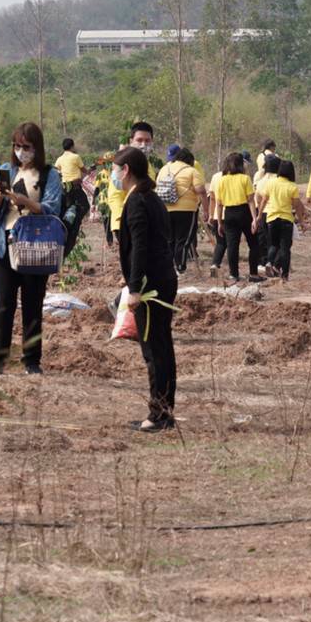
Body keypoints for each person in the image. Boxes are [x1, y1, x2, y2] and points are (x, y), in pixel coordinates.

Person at [114, 146, 179, 432]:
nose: (115, 176)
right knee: (163, 346)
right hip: (163, 278)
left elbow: (140, 246)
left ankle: (157, 415)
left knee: (154, 351)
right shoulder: (150, 197)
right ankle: (165, 411)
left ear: (126, 170)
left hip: (151, 285)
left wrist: (135, 287)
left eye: (116, 170)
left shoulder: (138, 201)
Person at [0, 123, 60, 375]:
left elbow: (52, 207)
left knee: (32, 304)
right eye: (17, 146)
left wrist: (25, 201)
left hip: (35, 244)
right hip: (4, 244)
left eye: (26, 146)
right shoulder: (6, 170)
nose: (21, 151)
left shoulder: (49, 174)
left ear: (36, 147)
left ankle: (31, 361)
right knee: (3, 304)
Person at [213, 153, 263, 283]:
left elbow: (219, 204)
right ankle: (253, 274)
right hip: (244, 212)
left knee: (232, 246)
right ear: (241, 164)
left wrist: (220, 223)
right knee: (253, 244)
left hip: (229, 213)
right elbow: (251, 200)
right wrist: (254, 219)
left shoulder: (222, 180)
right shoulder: (245, 179)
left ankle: (233, 274)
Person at [107, 122, 156, 247]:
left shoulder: (148, 165)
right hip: (128, 223)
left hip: (145, 221)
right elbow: (115, 196)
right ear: (131, 141)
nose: (143, 144)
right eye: (139, 140)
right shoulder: (123, 164)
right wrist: (121, 222)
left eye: (147, 141)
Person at [157, 146, 205, 273]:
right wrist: (206, 210)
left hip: (165, 208)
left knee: (169, 240)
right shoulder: (191, 170)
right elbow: (201, 190)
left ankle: (168, 267)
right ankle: (180, 267)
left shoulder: (164, 169)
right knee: (183, 240)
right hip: (187, 210)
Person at [262, 160, 307, 280]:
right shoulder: (292, 186)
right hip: (286, 220)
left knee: (274, 245)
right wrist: (301, 221)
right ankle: (285, 275)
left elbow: (264, 200)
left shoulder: (271, 183)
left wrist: (258, 216)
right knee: (285, 248)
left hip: (272, 218)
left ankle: (269, 262)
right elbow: (296, 206)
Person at [55, 138, 90, 256]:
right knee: (85, 206)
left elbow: (57, 169)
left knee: (70, 207)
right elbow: (84, 170)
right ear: (72, 146)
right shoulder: (76, 157)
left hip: (65, 188)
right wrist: (89, 171)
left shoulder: (60, 159)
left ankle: (70, 222)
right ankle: (72, 222)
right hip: (75, 187)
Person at [252, 153, 279, 264]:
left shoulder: (261, 181)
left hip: (263, 213)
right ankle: (273, 263)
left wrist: (259, 214)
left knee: (265, 238)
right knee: (276, 241)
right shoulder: (280, 180)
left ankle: (265, 262)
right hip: (277, 213)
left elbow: (258, 199)